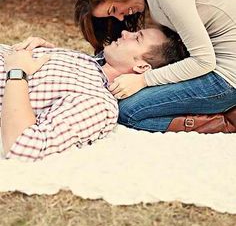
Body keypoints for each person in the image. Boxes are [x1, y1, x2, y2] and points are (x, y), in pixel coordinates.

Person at [71, 0, 236, 132]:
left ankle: (224, 120)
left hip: (225, 81)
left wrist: (143, 80)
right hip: (212, 71)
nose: (120, 17)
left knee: (128, 111)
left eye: (114, 9)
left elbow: (204, 61)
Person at [1, 27, 189, 162]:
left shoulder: (98, 103)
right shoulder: (87, 61)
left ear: (142, 67)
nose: (124, 33)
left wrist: (17, 71)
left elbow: (26, 147)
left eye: (137, 38)